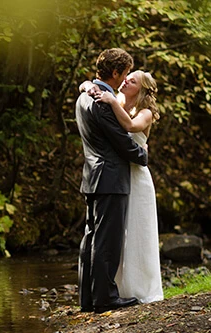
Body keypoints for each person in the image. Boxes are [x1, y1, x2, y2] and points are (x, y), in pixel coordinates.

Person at [75, 48, 148, 314]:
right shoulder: (100, 103)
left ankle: (88, 299)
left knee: (91, 238)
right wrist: (143, 155)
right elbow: (121, 141)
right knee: (107, 240)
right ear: (115, 73)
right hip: (110, 177)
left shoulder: (84, 96)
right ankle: (105, 299)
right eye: (125, 73)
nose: (125, 78)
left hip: (92, 176)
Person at [86, 70, 164, 304]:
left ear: (140, 89)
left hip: (137, 178)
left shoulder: (146, 113)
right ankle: (118, 287)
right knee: (117, 234)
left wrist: (110, 100)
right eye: (127, 77)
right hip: (117, 176)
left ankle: (141, 288)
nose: (126, 81)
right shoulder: (116, 101)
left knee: (138, 231)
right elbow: (90, 86)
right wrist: (85, 85)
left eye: (133, 81)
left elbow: (130, 126)